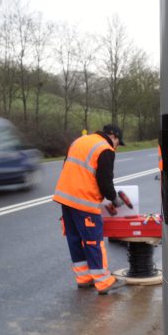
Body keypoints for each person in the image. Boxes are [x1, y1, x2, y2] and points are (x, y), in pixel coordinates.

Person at [53, 124, 128, 295]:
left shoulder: (80, 141)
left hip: (66, 198)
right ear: (113, 136)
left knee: (74, 239)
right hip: (84, 203)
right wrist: (114, 199)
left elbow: (69, 168)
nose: (116, 146)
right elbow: (105, 181)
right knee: (93, 241)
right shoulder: (105, 148)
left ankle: (84, 278)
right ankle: (103, 282)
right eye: (118, 142)